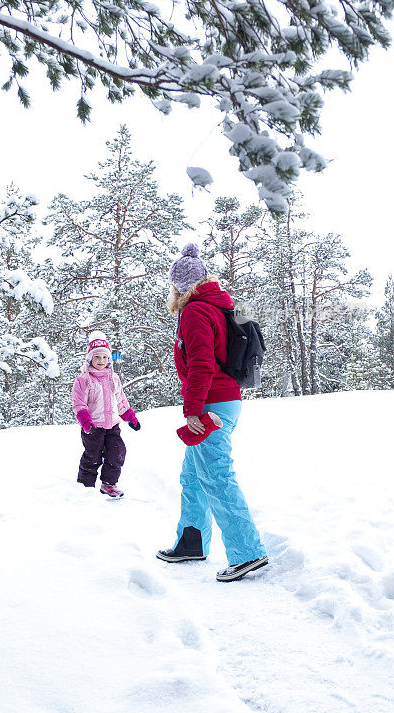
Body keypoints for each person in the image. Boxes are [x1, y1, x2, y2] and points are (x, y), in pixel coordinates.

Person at [156, 243, 268, 582]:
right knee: (193, 476)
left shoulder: (195, 311)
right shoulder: (222, 305)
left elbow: (202, 362)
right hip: (226, 400)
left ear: (180, 287)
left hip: (211, 403)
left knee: (217, 476)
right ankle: (192, 541)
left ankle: (248, 552)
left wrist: (192, 409)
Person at [72, 331, 141, 499]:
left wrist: (130, 418)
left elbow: (121, 401)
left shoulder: (114, 378)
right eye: (97, 357)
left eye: (104, 357)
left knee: (117, 453)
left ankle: (109, 484)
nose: (101, 361)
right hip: (93, 426)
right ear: (90, 359)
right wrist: (87, 423)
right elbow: (79, 404)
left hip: (112, 425)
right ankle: (85, 486)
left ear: (109, 359)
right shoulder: (83, 379)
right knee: (92, 455)